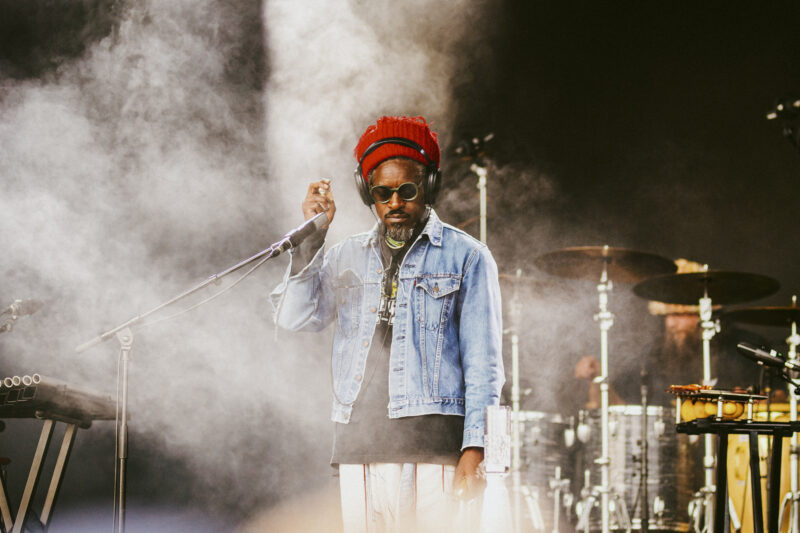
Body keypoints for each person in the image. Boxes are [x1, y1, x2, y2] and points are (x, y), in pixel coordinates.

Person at [270, 116, 504, 532]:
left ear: (428, 187)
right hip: (359, 443)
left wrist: (476, 445)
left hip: (432, 447)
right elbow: (295, 317)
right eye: (382, 192)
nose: (395, 202)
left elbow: (484, 365)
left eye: (407, 190)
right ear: (368, 195)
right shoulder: (343, 255)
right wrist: (310, 242)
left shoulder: (467, 256)